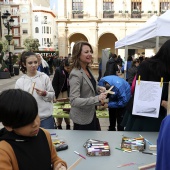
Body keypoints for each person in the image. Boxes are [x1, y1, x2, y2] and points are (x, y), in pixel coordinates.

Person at [0, 89, 67, 170]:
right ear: (8, 126)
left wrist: (59, 165)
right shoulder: (3, 150)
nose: (35, 124)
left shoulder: (44, 134)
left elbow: (54, 159)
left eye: (35, 115)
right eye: (28, 122)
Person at [122, 39, 170, 131]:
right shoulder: (148, 65)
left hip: (163, 114)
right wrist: (163, 103)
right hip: (144, 115)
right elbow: (141, 91)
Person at [69, 41, 107, 130]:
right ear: (78, 55)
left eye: (90, 51)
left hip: (91, 114)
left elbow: (88, 86)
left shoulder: (87, 69)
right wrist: (97, 99)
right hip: (82, 119)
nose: (90, 54)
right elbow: (74, 100)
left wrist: (98, 88)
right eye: (86, 52)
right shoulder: (76, 74)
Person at [15, 51, 55, 129]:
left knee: (47, 139)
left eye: (35, 62)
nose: (33, 65)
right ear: (24, 64)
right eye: (30, 63)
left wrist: (45, 94)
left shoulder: (44, 77)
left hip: (45, 118)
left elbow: (52, 95)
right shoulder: (20, 82)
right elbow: (17, 103)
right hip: (29, 120)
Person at [52, 58, 71, 130]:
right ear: (64, 65)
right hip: (59, 92)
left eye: (70, 68)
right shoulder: (58, 70)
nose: (68, 69)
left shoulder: (71, 71)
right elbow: (54, 83)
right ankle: (59, 125)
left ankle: (68, 124)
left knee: (67, 108)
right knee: (59, 109)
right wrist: (55, 95)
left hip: (67, 91)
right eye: (67, 68)